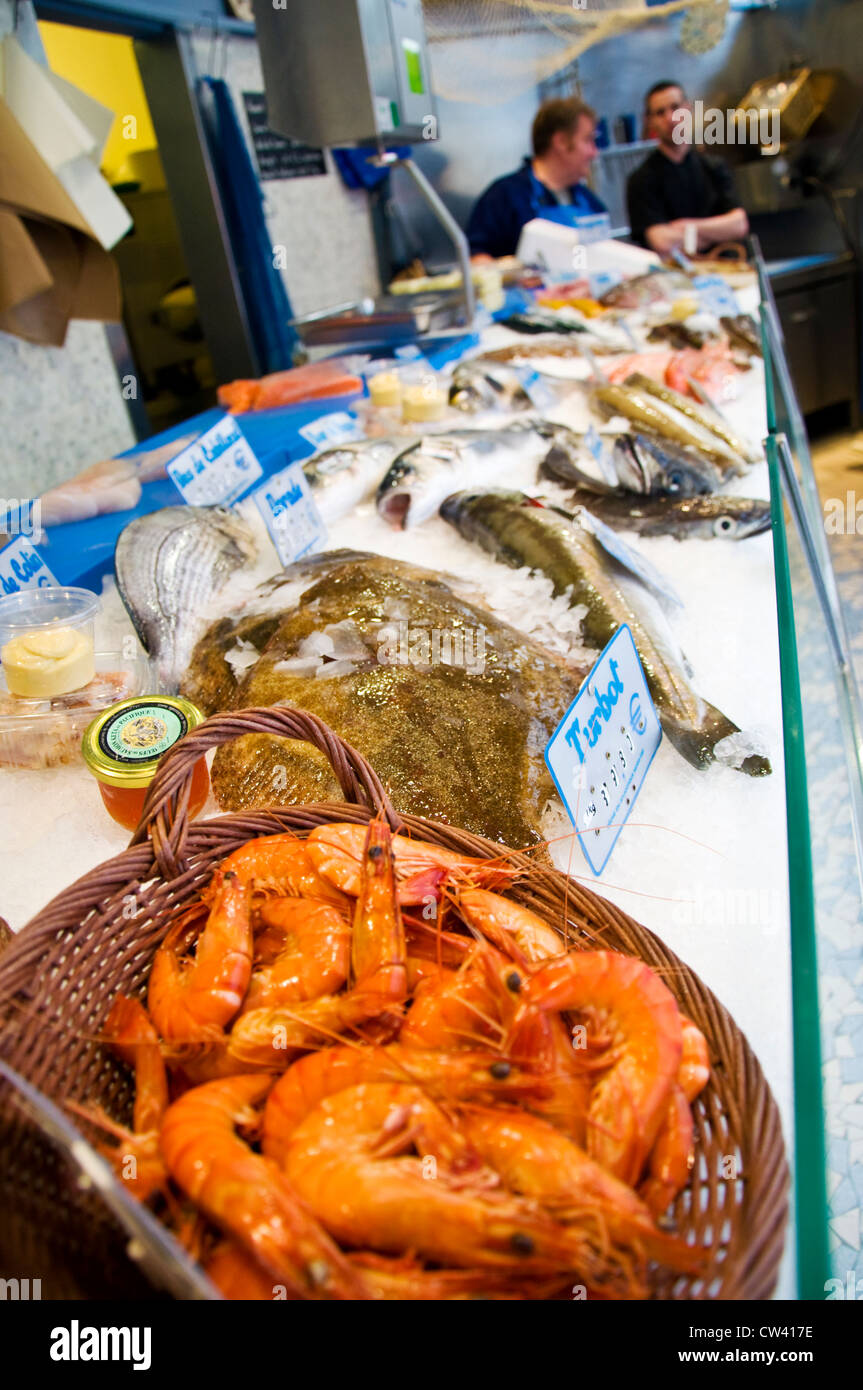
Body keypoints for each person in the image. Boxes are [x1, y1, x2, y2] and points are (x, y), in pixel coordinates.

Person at [467, 97, 606, 261]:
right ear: (560, 141)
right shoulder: (505, 196)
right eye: (588, 140)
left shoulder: (590, 202)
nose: (594, 152)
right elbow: (475, 258)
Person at [627, 81, 749, 255]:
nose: (670, 118)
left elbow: (739, 224)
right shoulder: (641, 180)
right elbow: (661, 242)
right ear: (650, 121)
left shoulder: (714, 167)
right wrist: (717, 233)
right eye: (660, 112)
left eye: (675, 108)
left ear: (688, 109)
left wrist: (686, 227)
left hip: (729, 271)